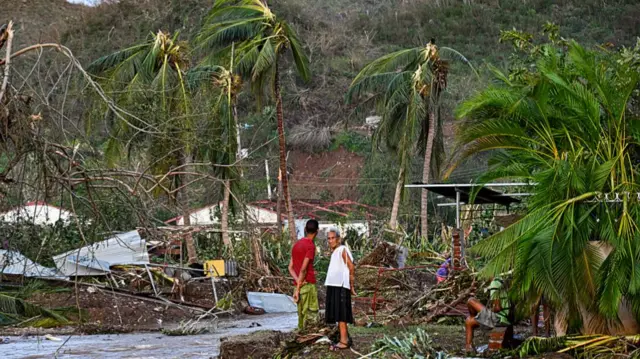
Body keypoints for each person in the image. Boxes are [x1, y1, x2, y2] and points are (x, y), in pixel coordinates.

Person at [324, 227, 356, 351]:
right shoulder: (335, 251)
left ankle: (344, 341)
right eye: (329, 238)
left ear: (338, 239)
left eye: (333, 238)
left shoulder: (342, 249)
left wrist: (351, 285)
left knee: (341, 313)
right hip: (334, 285)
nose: (331, 241)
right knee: (337, 313)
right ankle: (343, 338)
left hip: (341, 286)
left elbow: (351, 267)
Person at [465, 277, 511, 352]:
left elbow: (497, 308)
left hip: (499, 319)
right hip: (505, 318)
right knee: (469, 321)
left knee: (471, 301)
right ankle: (469, 348)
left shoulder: (495, 283)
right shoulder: (503, 282)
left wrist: (488, 310)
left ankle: (469, 348)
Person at [289, 219, 320, 330]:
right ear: (317, 231)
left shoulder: (296, 245)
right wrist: (299, 287)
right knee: (311, 318)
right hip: (307, 286)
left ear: (305, 230)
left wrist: (297, 283)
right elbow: (303, 269)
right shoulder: (310, 246)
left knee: (301, 318)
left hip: (299, 285)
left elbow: (290, 268)